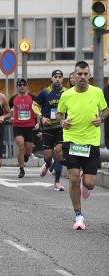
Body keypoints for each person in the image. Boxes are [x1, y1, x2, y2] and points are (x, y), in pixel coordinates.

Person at [57, 61, 109, 230]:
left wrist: (101, 119)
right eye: (79, 74)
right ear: (74, 76)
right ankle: (78, 215)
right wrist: (62, 121)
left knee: (90, 183)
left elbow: (106, 110)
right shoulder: (67, 95)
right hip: (71, 140)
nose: (82, 77)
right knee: (73, 178)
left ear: (90, 75)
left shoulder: (97, 92)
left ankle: (85, 186)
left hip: (91, 142)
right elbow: (59, 114)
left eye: (85, 74)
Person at [33, 70, 67, 191]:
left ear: (63, 79)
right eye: (55, 77)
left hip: (60, 127)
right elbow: (34, 105)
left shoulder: (67, 92)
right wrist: (42, 118)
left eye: (60, 77)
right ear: (51, 78)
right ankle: (48, 164)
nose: (58, 79)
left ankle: (57, 181)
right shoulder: (45, 92)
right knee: (47, 155)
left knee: (59, 151)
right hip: (47, 127)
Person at [9, 79, 39, 178]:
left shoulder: (32, 98)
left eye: (24, 85)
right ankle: (21, 169)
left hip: (29, 126)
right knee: (21, 145)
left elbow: (37, 111)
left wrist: (38, 123)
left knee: (28, 150)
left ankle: (26, 156)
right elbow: (7, 110)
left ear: (27, 86)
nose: (22, 86)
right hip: (18, 126)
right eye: (20, 85)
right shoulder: (13, 98)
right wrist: (11, 117)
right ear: (17, 87)